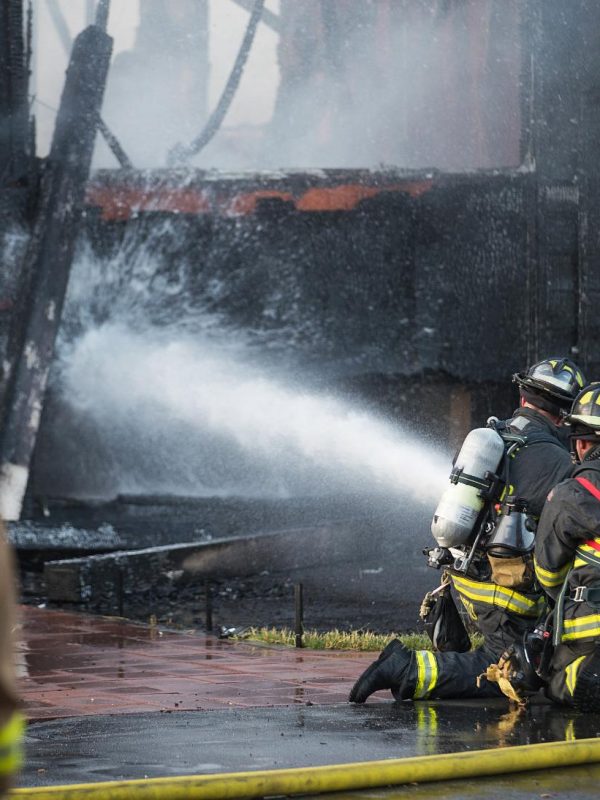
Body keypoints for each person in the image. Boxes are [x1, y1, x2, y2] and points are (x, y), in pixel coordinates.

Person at [349, 357, 586, 704]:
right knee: (507, 670)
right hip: (505, 593)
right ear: (566, 415)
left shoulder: (490, 437)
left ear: (522, 397)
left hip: (464, 581)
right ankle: (407, 669)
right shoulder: (556, 462)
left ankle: (405, 660)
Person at [533, 381, 600, 709]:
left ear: (584, 442)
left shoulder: (570, 494)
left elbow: (548, 573)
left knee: (555, 682)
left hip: (589, 635)